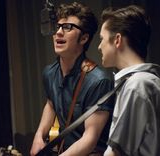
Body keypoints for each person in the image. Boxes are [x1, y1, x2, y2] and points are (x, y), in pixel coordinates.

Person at [30, 2, 115, 156]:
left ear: (83, 38)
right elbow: (51, 103)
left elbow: (90, 138)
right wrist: (38, 136)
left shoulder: (99, 81)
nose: (59, 33)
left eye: (67, 27)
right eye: (58, 27)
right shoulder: (49, 73)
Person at [98, 5, 160, 156]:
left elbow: (117, 153)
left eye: (102, 39)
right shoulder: (145, 81)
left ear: (117, 40)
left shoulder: (137, 85)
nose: (99, 46)